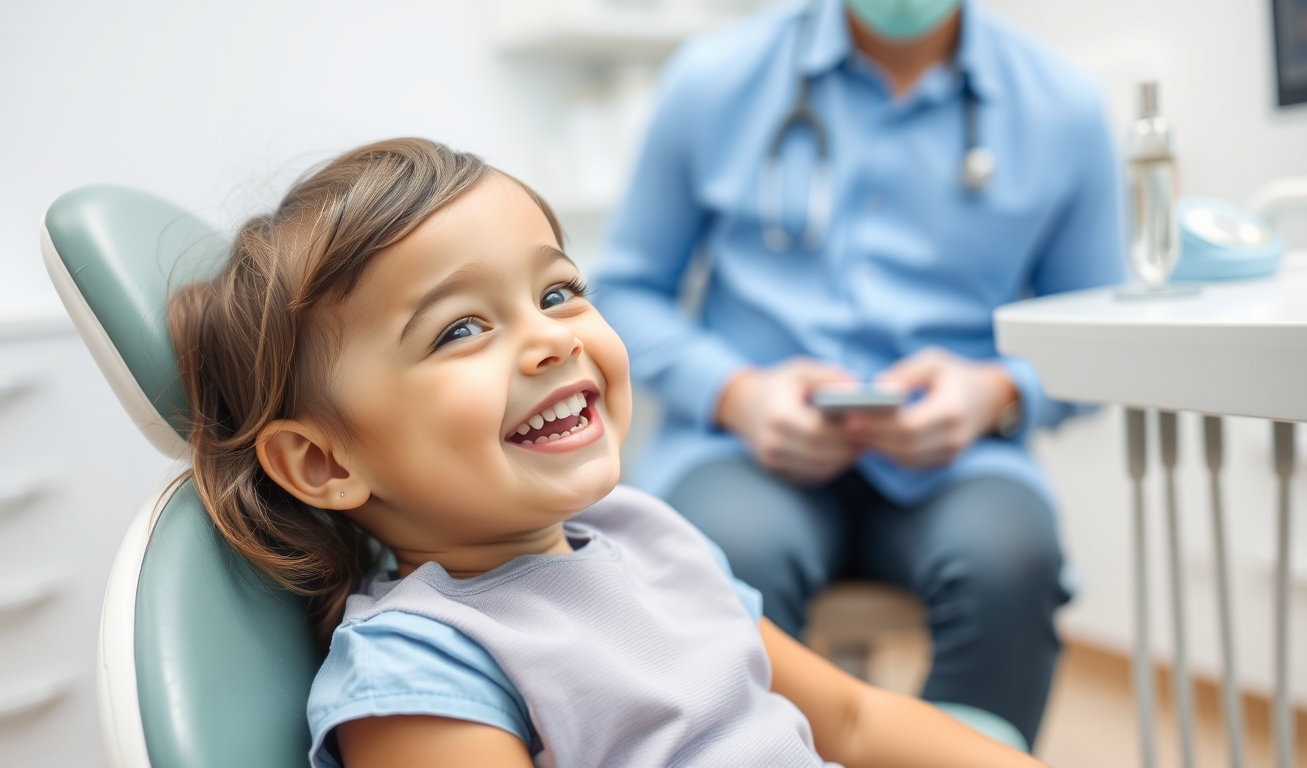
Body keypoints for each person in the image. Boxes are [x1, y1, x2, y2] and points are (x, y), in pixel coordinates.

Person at [167, 139, 1044, 768]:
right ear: (324, 464)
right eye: (460, 329)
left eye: (558, 290)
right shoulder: (424, 665)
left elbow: (849, 719)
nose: (551, 339)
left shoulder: (648, 534)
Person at [591, 0, 1125, 749]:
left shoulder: (1061, 106)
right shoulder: (713, 80)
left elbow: (1101, 331)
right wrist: (737, 395)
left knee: (1011, 561)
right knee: (717, 559)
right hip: (742, 453)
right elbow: (621, 293)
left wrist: (996, 395)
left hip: (960, 463)